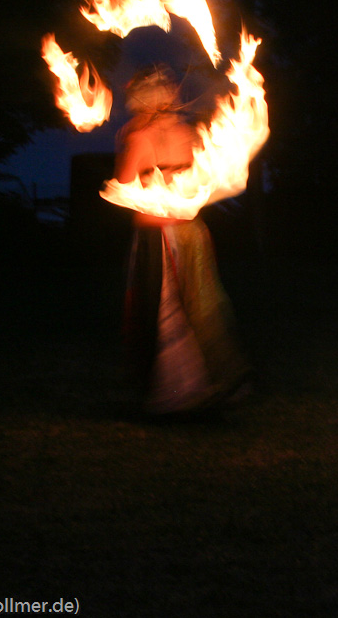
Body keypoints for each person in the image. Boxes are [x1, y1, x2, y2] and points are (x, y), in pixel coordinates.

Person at [114, 64, 251, 414]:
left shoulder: (140, 138)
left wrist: (128, 151)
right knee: (201, 304)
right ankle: (218, 380)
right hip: (193, 232)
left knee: (166, 310)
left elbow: (124, 186)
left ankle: (178, 392)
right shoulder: (188, 133)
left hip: (159, 238)